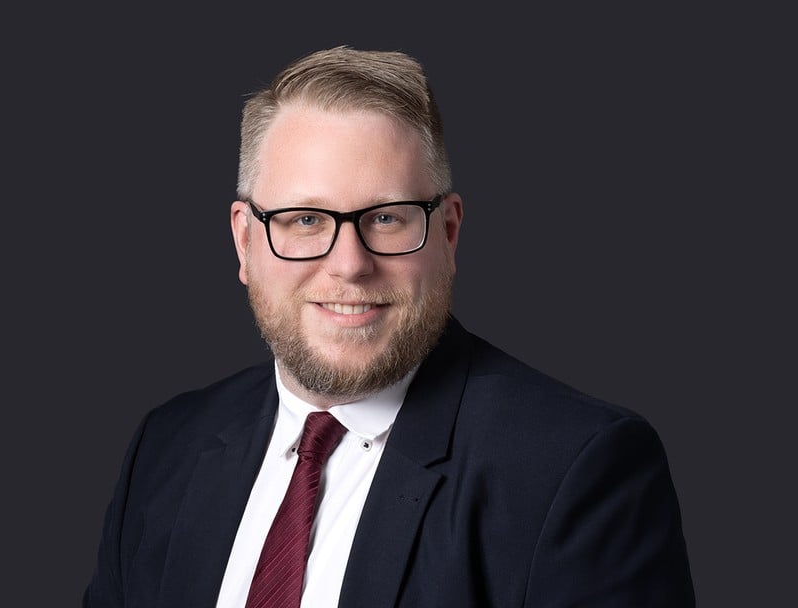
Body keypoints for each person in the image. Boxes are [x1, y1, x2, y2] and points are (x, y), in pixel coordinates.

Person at [84, 46, 695, 607]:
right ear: (245, 241)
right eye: (304, 220)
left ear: (448, 233)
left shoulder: (576, 470)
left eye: (386, 218)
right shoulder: (166, 447)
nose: (350, 264)